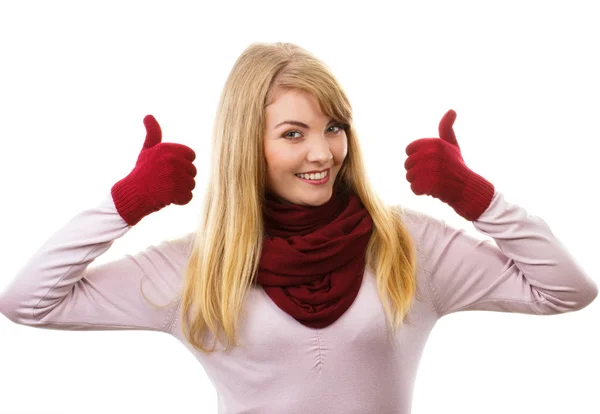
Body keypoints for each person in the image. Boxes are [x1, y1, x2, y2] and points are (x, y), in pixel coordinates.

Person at [0, 42, 597, 413]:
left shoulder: (404, 244)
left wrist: (477, 197)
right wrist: (125, 203)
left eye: (333, 127)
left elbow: (567, 290)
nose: (323, 152)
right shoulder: (198, 266)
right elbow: (28, 302)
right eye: (293, 133)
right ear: (247, 146)